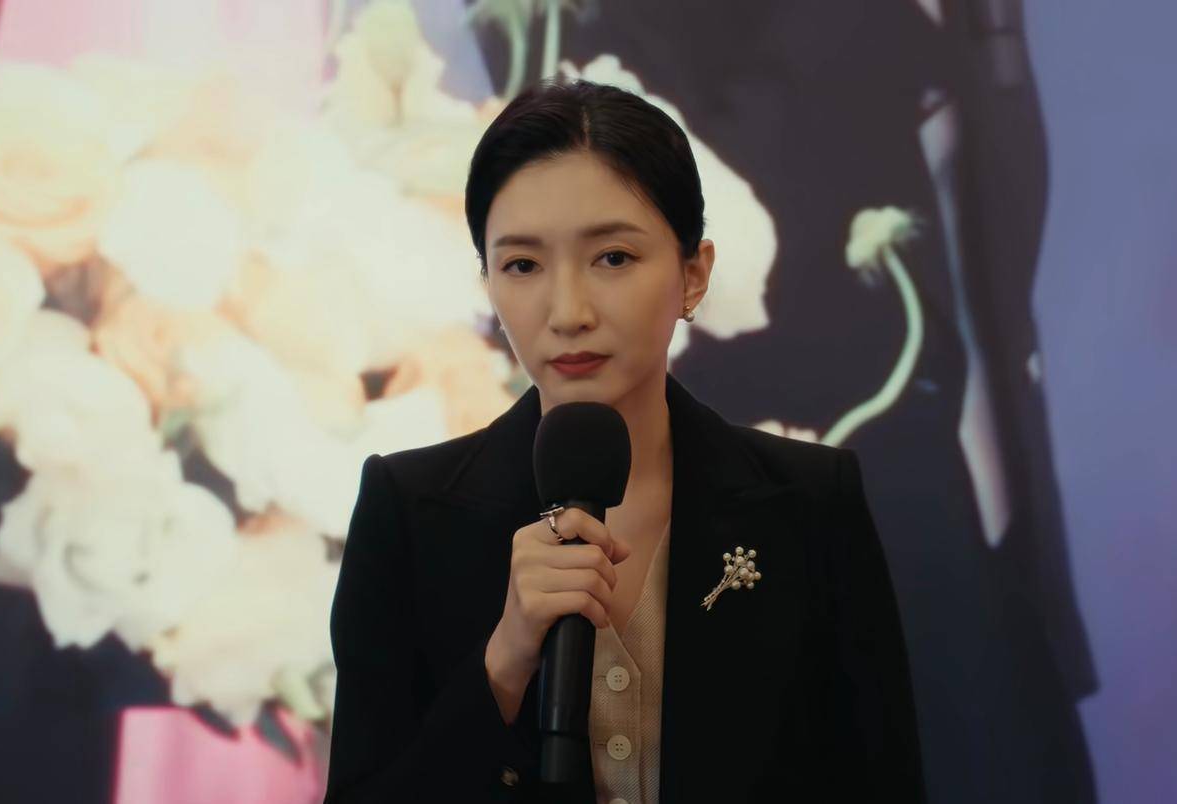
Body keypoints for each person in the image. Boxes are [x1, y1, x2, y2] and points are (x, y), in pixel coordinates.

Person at [324, 79, 925, 803]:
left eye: (612, 257)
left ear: (693, 275)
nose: (568, 312)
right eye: (522, 265)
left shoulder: (810, 503)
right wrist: (506, 661)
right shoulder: (408, 511)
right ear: (488, 282)